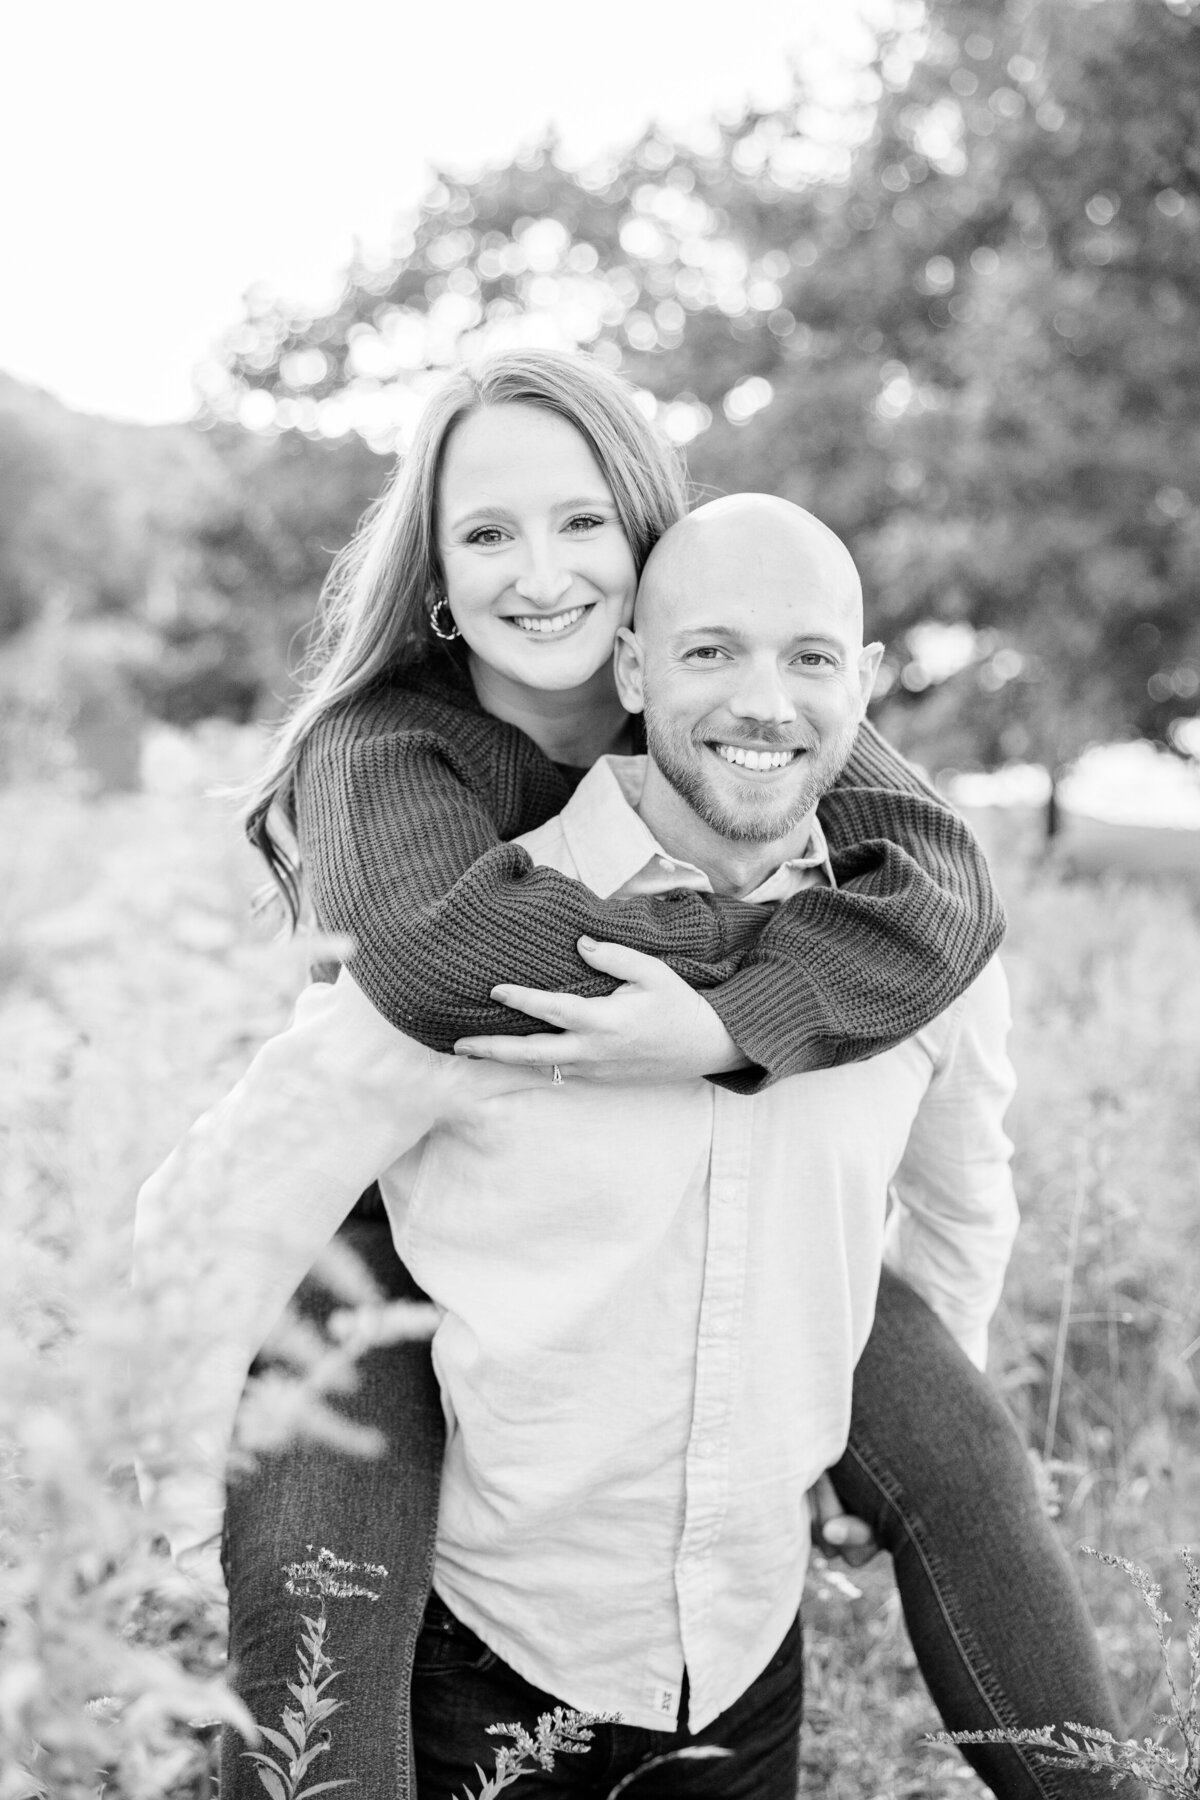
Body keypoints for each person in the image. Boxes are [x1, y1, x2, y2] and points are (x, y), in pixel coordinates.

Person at [140, 350, 1131, 1799]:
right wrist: (169, 1493)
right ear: (438, 576)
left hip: (719, 1621)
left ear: (649, 547)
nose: (540, 571)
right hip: (371, 1236)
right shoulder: (394, 750)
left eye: (582, 521)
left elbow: (942, 893)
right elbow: (421, 965)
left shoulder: (764, 724)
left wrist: (733, 1024)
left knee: (966, 1454)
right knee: (318, 1617)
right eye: (487, 532)